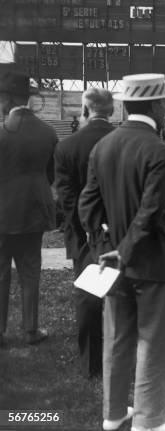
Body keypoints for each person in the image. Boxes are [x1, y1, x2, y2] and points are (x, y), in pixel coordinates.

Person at [79, 73, 165, 431]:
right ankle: (149, 421)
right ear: (155, 105)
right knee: (153, 344)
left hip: (113, 262)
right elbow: (151, 210)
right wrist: (124, 251)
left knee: (117, 340)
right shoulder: (158, 149)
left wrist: (106, 248)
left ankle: (113, 415)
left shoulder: (103, 146)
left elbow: (87, 207)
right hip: (152, 262)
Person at [54, 88, 115, 378]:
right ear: (112, 110)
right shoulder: (125, 142)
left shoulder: (67, 147)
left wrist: (80, 234)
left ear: (85, 109)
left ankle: (92, 364)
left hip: (84, 234)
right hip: (122, 231)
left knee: (89, 297)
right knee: (125, 296)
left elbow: (66, 200)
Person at [0, 71, 56, 348]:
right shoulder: (48, 132)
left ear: (8, 99)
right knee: (31, 271)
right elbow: (51, 175)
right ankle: (30, 329)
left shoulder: (1, 132)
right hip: (35, 210)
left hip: (2, 212)